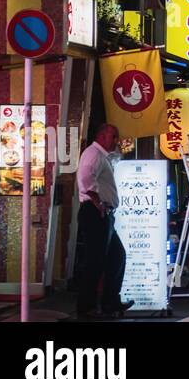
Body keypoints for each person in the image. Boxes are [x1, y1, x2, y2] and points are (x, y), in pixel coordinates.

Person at [74, 124, 131, 319]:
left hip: (102, 213)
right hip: (94, 212)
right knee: (95, 261)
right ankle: (86, 307)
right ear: (102, 135)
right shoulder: (93, 154)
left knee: (116, 256)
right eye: (113, 136)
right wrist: (98, 203)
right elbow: (85, 180)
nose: (116, 140)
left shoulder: (102, 156)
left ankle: (110, 302)